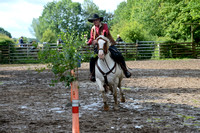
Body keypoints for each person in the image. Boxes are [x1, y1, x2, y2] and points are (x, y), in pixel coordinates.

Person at [87, 14, 131, 82]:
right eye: (93, 21)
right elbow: (92, 38)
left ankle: (125, 70)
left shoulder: (104, 25)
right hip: (99, 46)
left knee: (118, 54)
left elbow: (105, 33)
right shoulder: (93, 29)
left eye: (96, 20)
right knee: (92, 58)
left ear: (99, 20)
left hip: (109, 44)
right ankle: (92, 74)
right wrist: (89, 42)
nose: (95, 22)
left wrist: (97, 40)